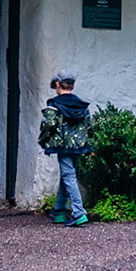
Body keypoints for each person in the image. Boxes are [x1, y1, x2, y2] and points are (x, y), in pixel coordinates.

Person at [39, 70, 92, 227]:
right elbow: (89, 127)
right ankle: (60, 210)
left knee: (69, 177)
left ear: (57, 85)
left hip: (63, 147)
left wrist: (43, 140)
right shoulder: (81, 106)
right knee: (67, 176)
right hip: (79, 147)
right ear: (73, 86)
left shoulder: (54, 105)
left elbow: (48, 125)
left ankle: (78, 212)